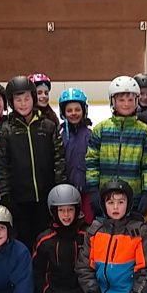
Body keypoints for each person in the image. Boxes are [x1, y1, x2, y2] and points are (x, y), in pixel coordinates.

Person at [0, 76, 67, 250]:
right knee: (24, 242)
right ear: (11, 102)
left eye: (27, 98)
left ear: (33, 99)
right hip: (20, 200)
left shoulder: (48, 127)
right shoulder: (6, 131)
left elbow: (59, 159)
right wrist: (6, 195)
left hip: (47, 197)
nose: (23, 103)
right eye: (18, 99)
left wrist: (60, 188)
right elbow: (2, 165)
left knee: (46, 239)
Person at [85, 76, 147, 219]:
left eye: (130, 100)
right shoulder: (101, 129)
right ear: (113, 102)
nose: (126, 104)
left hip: (133, 198)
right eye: (121, 100)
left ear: (137, 101)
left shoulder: (145, 132)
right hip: (106, 198)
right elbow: (92, 163)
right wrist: (93, 191)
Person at [32, 184, 87, 293]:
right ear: (54, 212)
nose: (66, 215)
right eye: (61, 210)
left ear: (77, 210)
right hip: (54, 291)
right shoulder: (45, 239)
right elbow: (37, 270)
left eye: (70, 209)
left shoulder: (85, 235)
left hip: (77, 291)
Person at [58, 87, 93, 224]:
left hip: (87, 190)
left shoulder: (90, 135)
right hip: (67, 191)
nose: (73, 113)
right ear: (63, 112)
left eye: (77, 109)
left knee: (88, 223)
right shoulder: (59, 135)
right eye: (69, 110)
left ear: (84, 110)